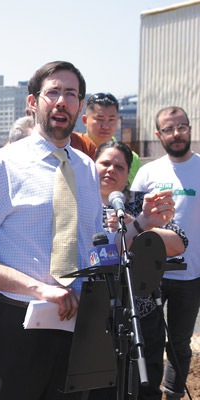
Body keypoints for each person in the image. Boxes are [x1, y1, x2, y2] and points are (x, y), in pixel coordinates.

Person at [0, 61, 169, 400]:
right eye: (52, 92)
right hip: (16, 322)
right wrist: (40, 289)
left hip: (77, 325)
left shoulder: (84, 168)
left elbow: (95, 248)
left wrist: (141, 224)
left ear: (80, 108)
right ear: (33, 103)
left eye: (71, 94)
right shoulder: (2, 165)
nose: (61, 101)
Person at [91, 140, 184, 400]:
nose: (111, 170)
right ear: (92, 165)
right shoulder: (77, 203)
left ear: (128, 174)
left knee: (144, 388)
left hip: (141, 312)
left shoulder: (140, 204)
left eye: (119, 166)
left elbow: (178, 244)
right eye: (105, 163)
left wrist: (139, 226)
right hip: (92, 316)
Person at [131, 106, 200, 400]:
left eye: (181, 127)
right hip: (150, 274)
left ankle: (173, 394)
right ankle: (147, 392)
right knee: (149, 339)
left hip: (192, 273)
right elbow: (133, 221)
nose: (176, 134)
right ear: (159, 135)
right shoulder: (148, 172)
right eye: (169, 129)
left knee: (180, 343)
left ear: (190, 128)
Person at [82, 93, 140, 183]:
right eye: (100, 119)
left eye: (111, 120)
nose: (105, 126)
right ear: (85, 120)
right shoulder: (71, 151)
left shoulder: (131, 158)